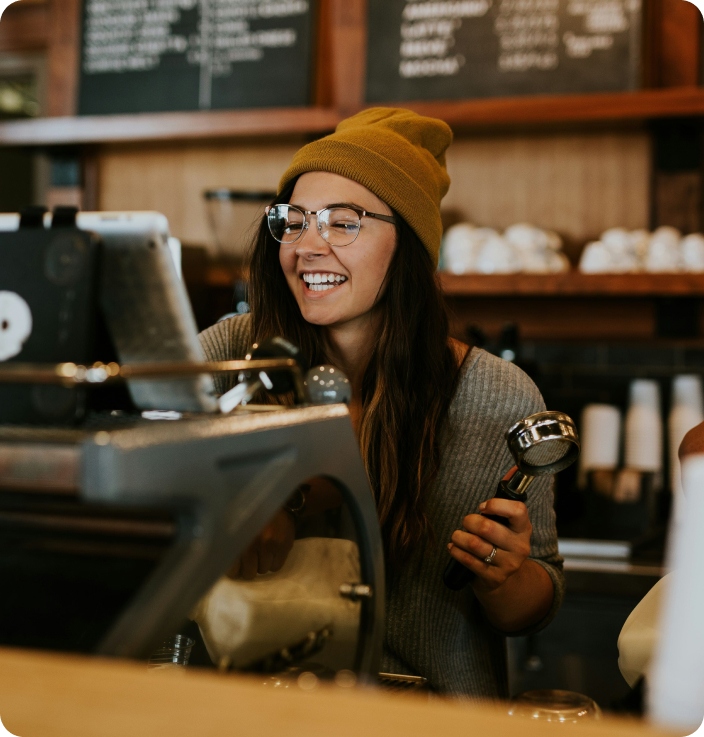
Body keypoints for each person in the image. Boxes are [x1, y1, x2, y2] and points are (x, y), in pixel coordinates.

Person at [199, 108, 564, 699]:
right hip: (242, 707)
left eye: (344, 224)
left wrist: (505, 577)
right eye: (294, 221)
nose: (308, 246)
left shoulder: (497, 393)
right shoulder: (227, 356)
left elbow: (533, 608)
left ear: (408, 247)